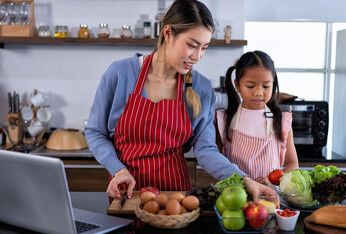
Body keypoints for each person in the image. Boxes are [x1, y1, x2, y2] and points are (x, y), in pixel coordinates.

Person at [85, 0, 277, 203]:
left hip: (176, 196)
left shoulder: (201, 88)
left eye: (204, 47)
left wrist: (243, 179)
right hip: (126, 192)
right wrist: (118, 170)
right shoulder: (120, 73)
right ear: (168, 33)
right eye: (192, 45)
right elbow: (95, 132)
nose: (198, 56)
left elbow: (206, 151)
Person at [216, 50, 299, 189]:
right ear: (237, 85)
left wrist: (276, 183)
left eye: (266, 86)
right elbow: (217, 163)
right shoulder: (223, 120)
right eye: (250, 86)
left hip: (270, 197)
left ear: (273, 83)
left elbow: (292, 163)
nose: (259, 92)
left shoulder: (282, 121)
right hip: (235, 198)